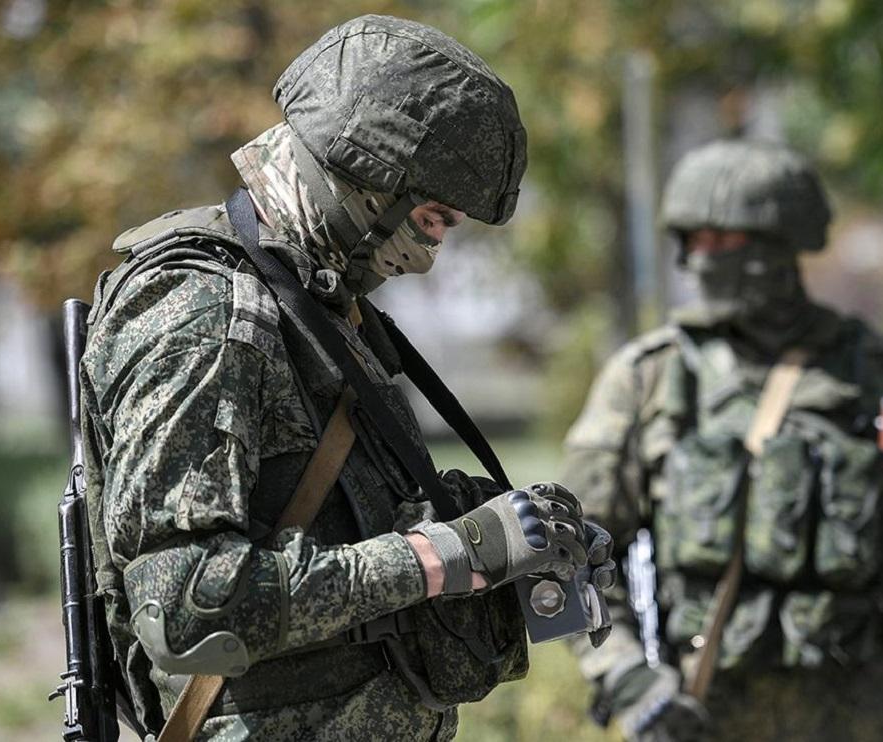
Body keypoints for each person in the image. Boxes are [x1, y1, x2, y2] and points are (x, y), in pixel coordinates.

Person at [79, 15, 613, 742]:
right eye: (431, 218)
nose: (429, 254)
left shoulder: (315, 310)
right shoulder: (204, 309)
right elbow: (187, 607)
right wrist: (450, 555)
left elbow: (347, 522)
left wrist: (519, 538)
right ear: (367, 184)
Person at [564, 140, 883, 741]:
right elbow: (570, 556)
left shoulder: (881, 376)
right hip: (703, 721)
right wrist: (628, 680)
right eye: (693, 241)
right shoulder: (649, 379)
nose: (702, 258)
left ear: (781, 245)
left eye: (723, 239)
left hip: (874, 722)